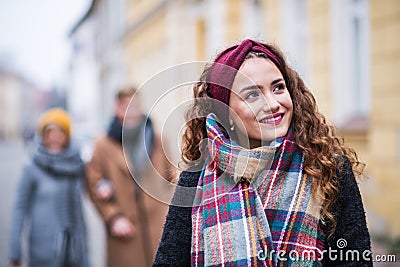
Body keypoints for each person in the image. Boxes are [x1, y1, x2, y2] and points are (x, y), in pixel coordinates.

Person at [153, 39, 372, 266]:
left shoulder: (326, 167)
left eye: (278, 87)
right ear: (226, 112)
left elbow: (356, 259)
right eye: (252, 95)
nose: (273, 103)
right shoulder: (196, 179)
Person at [86, 86, 175, 267]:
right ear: (116, 109)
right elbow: (94, 186)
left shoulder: (157, 139)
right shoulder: (103, 145)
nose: (130, 111)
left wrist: (171, 213)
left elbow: (173, 177)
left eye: (134, 105)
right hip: (125, 231)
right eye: (124, 105)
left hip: (158, 226)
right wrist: (113, 217)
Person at [8, 108, 89, 267]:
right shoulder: (31, 168)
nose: (55, 137)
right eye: (49, 132)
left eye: (60, 132)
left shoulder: (77, 166)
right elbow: (19, 209)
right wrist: (14, 252)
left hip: (75, 253)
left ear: (67, 136)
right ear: (42, 135)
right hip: (43, 253)